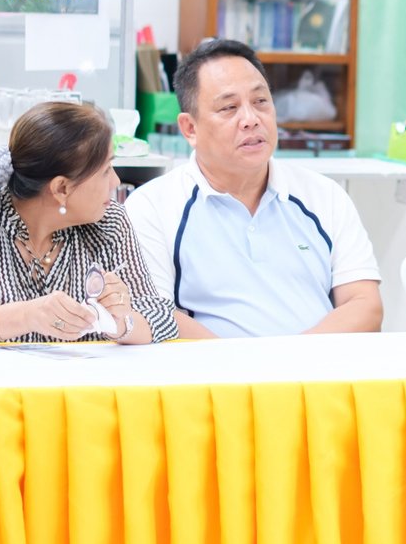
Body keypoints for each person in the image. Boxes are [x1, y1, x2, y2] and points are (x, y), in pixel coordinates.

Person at [123, 38, 382, 338]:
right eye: (229, 107)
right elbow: (155, 315)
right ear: (190, 129)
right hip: (213, 368)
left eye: (260, 102)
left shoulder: (324, 195)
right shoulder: (151, 207)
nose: (250, 119)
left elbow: (365, 305)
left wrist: (293, 358)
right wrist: (243, 363)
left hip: (315, 365)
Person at [0, 101, 176, 345]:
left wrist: (122, 322)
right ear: (61, 188)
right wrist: (26, 315)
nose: (115, 181)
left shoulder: (110, 222)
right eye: (105, 170)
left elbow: (162, 317)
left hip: (81, 389)